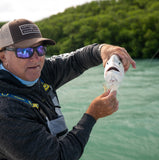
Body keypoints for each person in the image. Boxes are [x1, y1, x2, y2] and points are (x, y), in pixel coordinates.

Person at [0, 19, 136, 160]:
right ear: (3, 56)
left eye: (40, 49)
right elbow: (59, 157)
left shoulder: (42, 70)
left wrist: (102, 49)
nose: (35, 58)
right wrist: (92, 115)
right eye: (24, 51)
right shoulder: (6, 111)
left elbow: (76, 60)